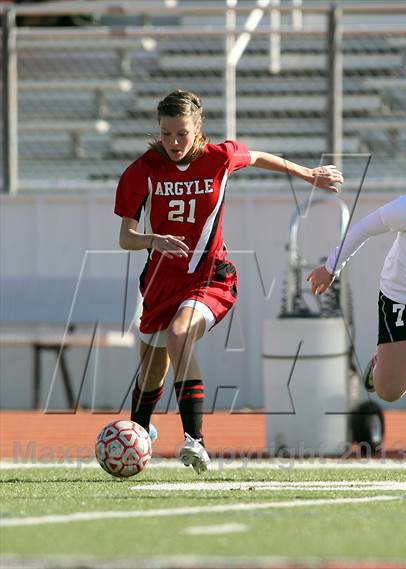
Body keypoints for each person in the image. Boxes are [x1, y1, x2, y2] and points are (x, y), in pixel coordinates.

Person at [114, 89, 343, 473]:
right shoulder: (142, 171)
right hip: (159, 283)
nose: (173, 142)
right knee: (151, 370)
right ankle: (138, 432)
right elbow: (125, 237)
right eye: (166, 133)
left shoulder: (219, 158)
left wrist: (308, 174)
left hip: (210, 279)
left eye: (181, 133)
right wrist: (153, 239)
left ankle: (195, 441)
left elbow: (258, 156)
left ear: (197, 127)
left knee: (179, 336)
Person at [307, 191, 406, 403]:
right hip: (402, 298)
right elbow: (364, 229)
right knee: (390, 389)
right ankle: (383, 362)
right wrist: (331, 268)